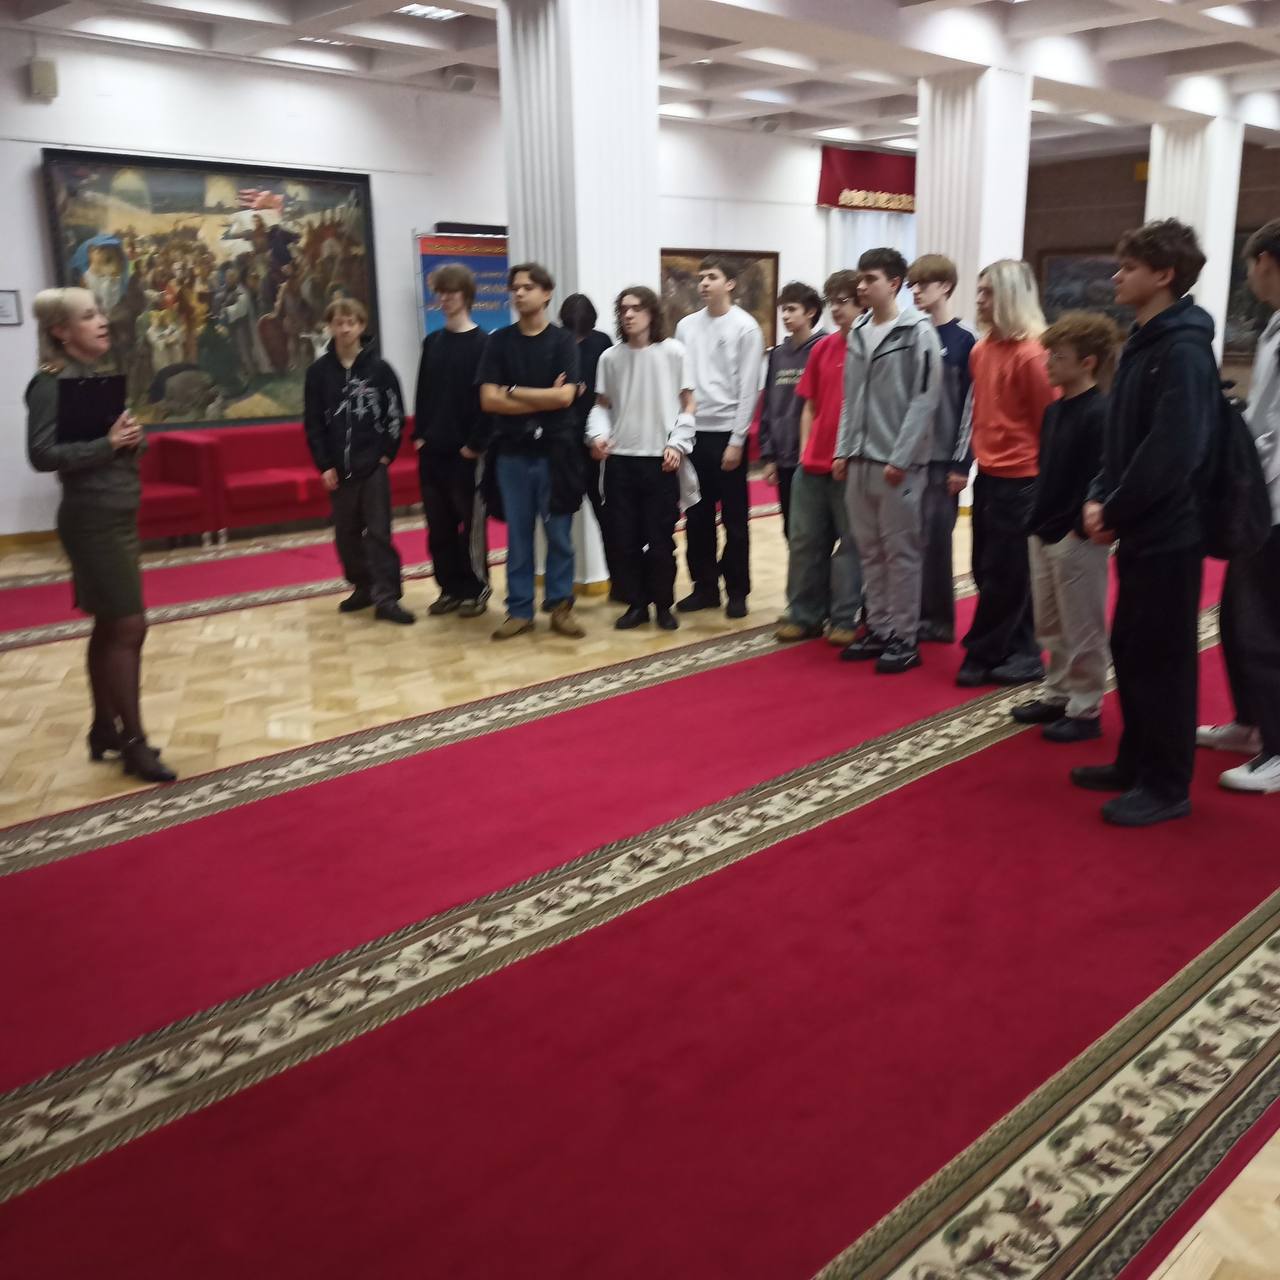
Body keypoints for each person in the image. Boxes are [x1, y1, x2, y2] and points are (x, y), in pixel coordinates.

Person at [1074, 219, 1219, 827]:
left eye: (1129, 267)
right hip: (1140, 525)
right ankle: (1136, 760)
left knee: (1163, 659)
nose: (1116, 276)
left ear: (1163, 275)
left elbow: (1173, 449)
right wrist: (1100, 493)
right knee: (1132, 649)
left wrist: (1115, 507)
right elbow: (1121, 436)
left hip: (1169, 531)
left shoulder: (1183, 349)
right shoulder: (1145, 339)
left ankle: (1166, 784)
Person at [26, 287, 176, 783]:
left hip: (116, 513)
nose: (102, 321)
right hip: (92, 519)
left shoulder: (93, 376)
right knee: (130, 626)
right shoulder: (50, 383)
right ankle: (134, 743)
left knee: (111, 626)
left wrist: (132, 439)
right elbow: (42, 455)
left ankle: (103, 729)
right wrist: (107, 443)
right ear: (61, 331)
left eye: (100, 313)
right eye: (89, 316)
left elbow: (121, 444)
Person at [1197, 219, 1280, 795]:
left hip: (1273, 502)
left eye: (1251, 265)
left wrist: (1244, 477)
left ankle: (1276, 747)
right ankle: (1250, 723)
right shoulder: (1274, 324)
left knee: (1264, 627)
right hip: (1260, 497)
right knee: (1237, 619)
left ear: (1266, 261)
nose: (1250, 275)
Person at [833, 247, 942, 674]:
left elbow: (925, 400)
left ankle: (904, 636)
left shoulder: (918, 332)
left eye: (870, 279)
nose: (861, 286)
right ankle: (878, 628)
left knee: (901, 553)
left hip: (897, 464)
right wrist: (843, 449)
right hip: (860, 460)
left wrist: (902, 456)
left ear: (894, 283)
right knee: (869, 551)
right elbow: (850, 398)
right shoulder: (859, 331)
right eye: (860, 279)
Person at [1011, 311, 1119, 744]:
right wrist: (1036, 518)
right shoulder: (1055, 410)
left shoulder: (1101, 412)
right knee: (1050, 624)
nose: (1048, 364)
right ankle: (1057, 693)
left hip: (1076, 536)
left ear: (1087, 362)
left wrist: (1077, 528)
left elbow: (1101, 475)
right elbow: (1049, 471)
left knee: (1083, 625)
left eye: (1058, 356)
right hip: (1044, 528)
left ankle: (1086, 706)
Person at [955, 260, 1057, 688]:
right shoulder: (981, 351)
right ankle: (1022, 649)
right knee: (987, 568)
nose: (979, 299)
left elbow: (1049, 423)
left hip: (1024, 479)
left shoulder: (1033, 354)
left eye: (988, 292)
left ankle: (985, 651)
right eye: (979, 291)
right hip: (990, 474)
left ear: (1010, 296)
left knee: (1006, 572)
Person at [477, 262, 585, 640]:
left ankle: (560, 606)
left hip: (556, 453)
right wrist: (544, 397)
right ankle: (519, 610)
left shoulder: (563, 342)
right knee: (518, 538)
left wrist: (513, 391)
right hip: (512, 453)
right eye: (515, 288)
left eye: (527, 287)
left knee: (559, 536)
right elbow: (488, 400)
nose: (519, 293)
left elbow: (566, 397)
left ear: (546, 293)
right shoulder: (499, 342)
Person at [586, 286, 696, 632]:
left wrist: (678, 443)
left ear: (651, 312)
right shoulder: (610, 357)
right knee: (625, 540)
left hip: (659, 461)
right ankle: (636, 604)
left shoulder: (674, 352)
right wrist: (597, 435)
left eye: (635, 308)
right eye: (623, 310)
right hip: (621, 461)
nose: (628, 315)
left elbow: (688, 404)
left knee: (661, 541)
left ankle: (663, 605)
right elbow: (601, 406)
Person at [304, 297, 414, 625]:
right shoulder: (318, 373)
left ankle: (387, 597)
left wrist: (387, 454)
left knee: (379, 533)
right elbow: (313, 423)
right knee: (346, 535)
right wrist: (324, 464)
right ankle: (363, 586)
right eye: (339, 323)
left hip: (373, 466)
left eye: (351, 322)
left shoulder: (380, 370)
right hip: (339, 469)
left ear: (361, 326)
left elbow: (395, 413)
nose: (345, 329)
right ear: (330, 327)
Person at [775, 271, 865, 647]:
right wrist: (804, 451)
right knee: (804, 542)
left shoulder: (870, 348)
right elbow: (809, 405)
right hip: (812, 464)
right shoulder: (823, 349)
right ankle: (804, 613)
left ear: (862, 304)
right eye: (833, 302)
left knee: (850, 545)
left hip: (852, 466)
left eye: (844, 301)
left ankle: (844, 616)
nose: (837, 309)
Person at [675, 256, 765, 618]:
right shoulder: (685, 327)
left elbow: (749, 389)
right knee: (697, 518)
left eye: (712, 277)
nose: (704, 283)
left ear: (730, 284)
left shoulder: (745, 328)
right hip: (694, 433)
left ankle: (737, 590)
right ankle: (705, 588)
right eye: (701, 277)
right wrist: (679, 432)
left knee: (735, 520)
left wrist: (737, 440)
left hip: (727, 433)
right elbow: (681, 384)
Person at [413, 263, 492, 619]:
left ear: (466, 296)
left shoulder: (484, 344)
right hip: (432, 451)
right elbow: (423, 393)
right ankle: (449, 588)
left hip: (466, 453)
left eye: (452, 292)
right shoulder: (433, 342)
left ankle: (476, 589)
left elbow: (486, 403)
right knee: (439, 527)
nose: (445, 298)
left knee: (470, 528)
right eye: (441, 292)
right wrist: (419, 435)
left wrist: (474, 445)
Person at [907, 253, 977, 643]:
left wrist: (961, 463)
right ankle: (903, 612)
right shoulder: (909, 335)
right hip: (907, 457)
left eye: (924, 284)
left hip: (942, 458)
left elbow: (970, 407)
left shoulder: (965, 340)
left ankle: (936, 621)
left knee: (936, 543)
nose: (916, 292)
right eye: (911, 285)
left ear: (945, 287)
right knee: (904, 539)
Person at [560, 293, 620, 599]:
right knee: (560, 519)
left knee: (608, 515)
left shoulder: (602, 342)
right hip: (564, 441)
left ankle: (619, 582)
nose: (577, 338)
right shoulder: (557, 341)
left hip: (596, 440)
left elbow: (608, 390)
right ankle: (561, 590)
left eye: (580, 332)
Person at [759, 281, 827, 539]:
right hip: (783, 457)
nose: (785, 316)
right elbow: (769, 405)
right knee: (791, 528)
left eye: (791, 309)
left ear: (810, 312)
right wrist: (769, 456)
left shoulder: (823, 348)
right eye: (783, 310)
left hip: (813, 457)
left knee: (816, 529)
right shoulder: (777, 355)